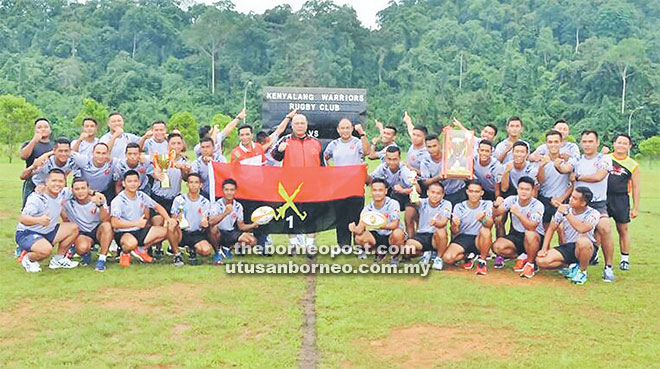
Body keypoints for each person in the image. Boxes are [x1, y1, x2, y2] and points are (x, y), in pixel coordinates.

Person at [559, 130, 615, 282]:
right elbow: (569, 177)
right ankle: (573, 264)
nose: (587, 144)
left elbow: (599, 177)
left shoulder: (605, 159)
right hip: (577, 203)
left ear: (597, 143)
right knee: (565, 227)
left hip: (597, 203)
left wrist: (578, 176)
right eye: (584, 141)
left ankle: (608, 267)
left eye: (591, 141)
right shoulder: (577, 160)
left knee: (605, 228)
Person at [272, 113, 324, 250]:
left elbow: (323, 166)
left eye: (302, 123)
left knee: (312, 215)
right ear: (292, 125)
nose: (299, 126)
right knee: (290, 215)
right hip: (290, 187)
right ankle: (293, 243)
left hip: (311, 187)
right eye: (297, 123)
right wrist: (279, 150)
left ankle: (310, 243)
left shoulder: (316, 142)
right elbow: (273, 156)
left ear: (306, 125)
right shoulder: (285, 140)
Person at [110, 170, 183, 267]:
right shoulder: (119, 200)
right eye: (129, 181)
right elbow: (114, 223)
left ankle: (141, 249)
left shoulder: (141, 195)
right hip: (124, 232)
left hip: (140, 230)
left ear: (139, 183)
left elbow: (157, 207)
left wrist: (168, 219)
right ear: (124, 183)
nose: (133, 184)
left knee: (168, 232)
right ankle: (125, 253)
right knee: (131, 243)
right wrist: (136, 224)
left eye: (135, 181)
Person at [15, 169, 80, 272]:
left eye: (60, 181)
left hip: (48, 230)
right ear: (46, 182)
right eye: (54, 181)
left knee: (73, 228)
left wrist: (94, 194)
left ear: (64, 183)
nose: (57, 184)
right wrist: (39, 220)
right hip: (28, 233)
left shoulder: (63, 193)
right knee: (46, 250)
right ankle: (28, 258)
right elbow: (23, 218)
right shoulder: (37, 197)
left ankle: (58, 260)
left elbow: (80, 190)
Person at [536, 187, 600, 285]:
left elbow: (582, 229)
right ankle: (572, 266)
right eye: (571, 196)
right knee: (541, 261)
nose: (570, 199)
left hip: (586, 248)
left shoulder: (593, 213)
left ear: (583, 203)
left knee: (582, 241)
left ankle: (582, 271)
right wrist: (544, 249)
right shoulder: (564, 209)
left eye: (574, 198)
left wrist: (566, 213)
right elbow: (551, 228)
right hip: (569, 247)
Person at [324, 118, 370, 248]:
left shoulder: (357, 142)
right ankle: (343, 246)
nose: (345, 130)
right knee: (341, 216)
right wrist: (330, 172)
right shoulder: (334, 144)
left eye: (347, 127)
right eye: (342, 128)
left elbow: (367, 152)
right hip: (339, 187)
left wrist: (362, 134)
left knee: (356, 215)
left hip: (355, 185)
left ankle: (359, 244)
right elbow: (325, 157)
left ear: (351, 129)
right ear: (338, 130)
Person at [491, 176, 545, 278]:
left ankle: (530, 264)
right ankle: (522, 256)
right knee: (497, 246)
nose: (523, 192)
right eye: (521, 189)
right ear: (517, 189)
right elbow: (497, 212)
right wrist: (495, 205)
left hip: (534, 236)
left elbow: (531, 226)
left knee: (529, 234)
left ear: (532, 191)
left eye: (527, 189)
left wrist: (518, 214)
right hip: (517, 234)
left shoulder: (538, 205)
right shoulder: (512, 199)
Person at [441, 181, 494, 276]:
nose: (473, 194)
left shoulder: (487, 204)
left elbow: (489, 224)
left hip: (479, 238)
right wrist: (455, 225)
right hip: (463, 238)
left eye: (477, 192)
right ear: (467, 192)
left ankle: (482, 262)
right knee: (447, 258)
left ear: (481, 193)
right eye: (471, 191)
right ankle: (469, 256)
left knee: (485, 230)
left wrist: (483, 220)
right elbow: (454, 231)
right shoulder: (459, 206)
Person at [151, 133, 190, 257]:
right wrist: (157, 174)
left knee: (176, 224)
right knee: (158, 221)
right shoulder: (162, 158)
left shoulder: (185, 161)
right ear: (168, 145)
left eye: (179, 143)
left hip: (174, 198)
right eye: (173, 143)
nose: (176, 146)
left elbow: (185, 179)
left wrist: (185, 171)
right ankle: (157, 248)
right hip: (158, 196)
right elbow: (155, 172)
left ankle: (174, 248)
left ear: (182, 145)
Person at [349, 178, 406, 264]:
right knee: (359, 238)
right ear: (371, 192)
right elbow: (360, 227)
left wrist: (379, 225)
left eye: (380, 190)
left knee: (398, 233)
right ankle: (379, 252)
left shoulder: (393, 204)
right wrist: (354, 229)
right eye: (375, 190)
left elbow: (395, 224)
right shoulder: (368, 208)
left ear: (385, 191)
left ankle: (395, 257)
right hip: (378, 235)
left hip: (391, 234)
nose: (377, 193)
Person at [63, 177, 113, 271]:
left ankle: (102, 260)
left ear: (88, 189)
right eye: (77, 189)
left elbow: (105, 219)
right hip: (83, 233)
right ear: (72, 190)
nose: (80, 192)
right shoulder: (68, 201)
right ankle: (85, 253)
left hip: (97, 230)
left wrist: (100, 206)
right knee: (82, 248)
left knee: (107, 226)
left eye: (83, 188)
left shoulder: (98, 199)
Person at [606, 133, 640, 271]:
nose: (621, 145)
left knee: (623, 229)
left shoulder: (633, 165)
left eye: (625, 143)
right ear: (613, 144)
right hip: (604, 196)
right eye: (619, 142)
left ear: (629, 146)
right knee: (599, 228)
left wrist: (636, 208)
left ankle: (624, 259)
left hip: (621, 199)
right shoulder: (606, 159)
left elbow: (636, 187)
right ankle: (594, 255)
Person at [402, 182, 452, 270]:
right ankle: (426, 254)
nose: (435, 195)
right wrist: (413, 192)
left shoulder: (446, 204)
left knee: (441, 231)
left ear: (442, 195)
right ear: (428, 193)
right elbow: (414, 202)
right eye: (432, 192)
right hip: (421, 235)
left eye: (438, 193)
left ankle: (438, 258)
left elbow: (444, 222)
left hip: (435, 237)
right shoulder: (422, 202)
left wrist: (436, 223)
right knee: (406, 249)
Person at [208, 179, 259, 264]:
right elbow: (211, 222)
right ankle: (218, 251)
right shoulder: (216, 205)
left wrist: (253, 225)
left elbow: (241, 226)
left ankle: (227, 248)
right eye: (226, 190)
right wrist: (225, 213)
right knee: (213, 228)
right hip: (219, 232)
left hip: (231, 231)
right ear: (223, 191)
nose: (229, 192)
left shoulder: (238, 206)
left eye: (232, 190)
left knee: (252, 241)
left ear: (235, 191)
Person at [171, 174, 213, 264]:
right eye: (191, 182)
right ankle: (176, 254)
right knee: (171, 225)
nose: (193, 185)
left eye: (196, 182)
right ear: (187, 184)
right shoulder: (179, 200)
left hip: (196, 233)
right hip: (182, 233)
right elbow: (173, 217)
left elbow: (205, 218)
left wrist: (205, 222)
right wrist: (177, 219)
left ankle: (192, 249)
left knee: (206, 251)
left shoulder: (205, 202)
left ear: (201, 185)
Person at [536, 130, 573, 230]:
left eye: (556, 142)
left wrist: (561, 198)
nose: (553, 145)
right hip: (544, 199)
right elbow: (541, 181)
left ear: (561, 143)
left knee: (562, 230)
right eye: (550, 142)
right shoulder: (541, 160)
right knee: (543, 231)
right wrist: (541, 166)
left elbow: (573, 183)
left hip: (562, 200)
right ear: (546, 144)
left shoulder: (567, 161)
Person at [419, 135, 467, 206]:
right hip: (438, 195)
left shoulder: (451, 155)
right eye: (429, 147)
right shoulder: (425, 162)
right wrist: (439, 177)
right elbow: (425, 182)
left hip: (458, 191)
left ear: (440, 145)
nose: (432, 149)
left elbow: (465, 173)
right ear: (426, 147)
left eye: (434, 146)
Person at [369, 145, 414, 211]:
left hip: (405, 197)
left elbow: (417, 189)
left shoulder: (404, 171)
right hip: (391, 193)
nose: (391, 162)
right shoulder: (383, 167)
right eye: (389, 159)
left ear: (399, 158)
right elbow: (371, 179)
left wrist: (402, 190)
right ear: (385, 158)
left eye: (395, 159)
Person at [20, 118, 54, 206]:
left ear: (50, 130)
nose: (43, 129)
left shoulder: (54, 146)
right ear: (35, 130)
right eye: (39, 127)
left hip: (50, 181)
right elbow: (23, 156)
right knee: (29, 209)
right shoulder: (29, 144)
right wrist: (34, 141)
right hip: (31, 181)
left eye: (46, 127)